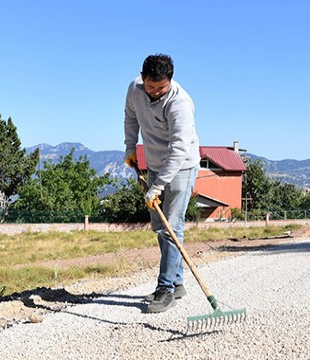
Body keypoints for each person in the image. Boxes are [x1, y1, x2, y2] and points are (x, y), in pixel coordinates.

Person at [124, 54, 200, 313]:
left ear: (171, 80)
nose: (156, 92)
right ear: (143, 78)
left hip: (183, 166)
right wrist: (130, 148)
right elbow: (131, 118)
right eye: (151, 86)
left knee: (172, 225)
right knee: (159, 225)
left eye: (161, 88)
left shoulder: (180, 103)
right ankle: (177, 282)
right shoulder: (134, 90)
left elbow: (179, 149)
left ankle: (165, 289)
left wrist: (156, 188)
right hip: (155, 165)